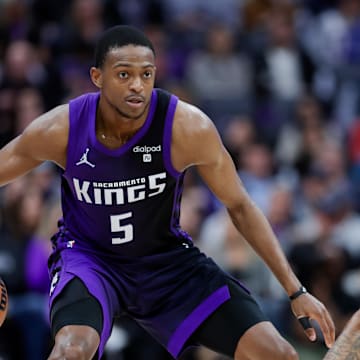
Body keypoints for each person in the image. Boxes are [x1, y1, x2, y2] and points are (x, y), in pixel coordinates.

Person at [0, 25, 335, 360]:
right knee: (70, 352)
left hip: (166, 262)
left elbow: (240, 206)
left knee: (280, 355)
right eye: (123, 74)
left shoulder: (186, 128)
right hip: (90, 259)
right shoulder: (64, 127)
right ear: (97, 77)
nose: (137, 85)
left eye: (146, 74)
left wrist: (296, 290)